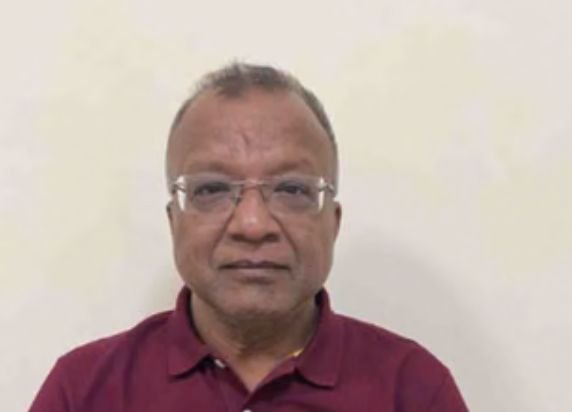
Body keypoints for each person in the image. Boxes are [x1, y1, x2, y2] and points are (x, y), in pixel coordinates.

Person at [29, 63, 469, 411]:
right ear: (174, 221)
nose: (253, 225)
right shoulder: (84, 390)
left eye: (292, 190)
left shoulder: (412, 390)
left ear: (333, 223)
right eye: (212, 190)